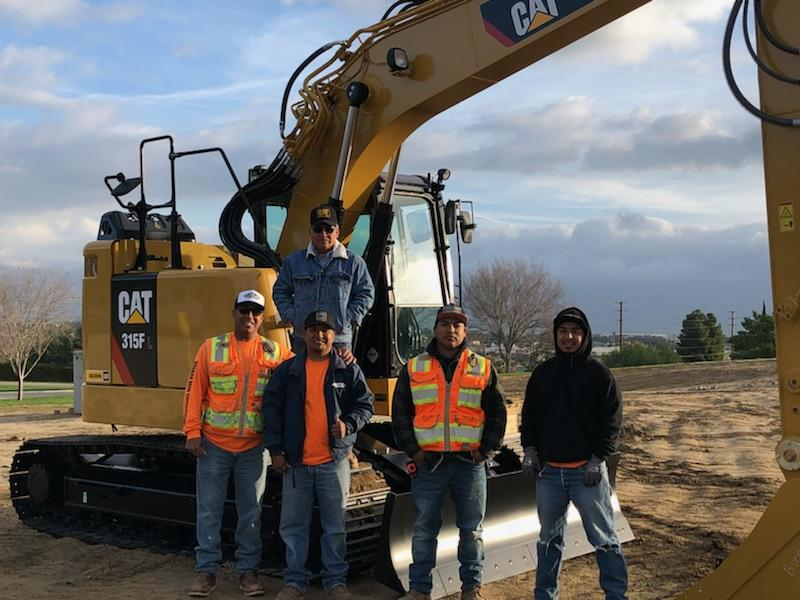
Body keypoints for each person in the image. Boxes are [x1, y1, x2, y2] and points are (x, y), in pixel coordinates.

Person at [391, 304, 507, 600]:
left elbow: (497, 413)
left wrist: (486, 451)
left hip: (469, 464)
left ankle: (471, 589)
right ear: (435, 329)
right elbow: (401, 413)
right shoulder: (415, 367)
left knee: (471, 531)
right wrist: (413, 451)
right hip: (429, 464)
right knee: (424, 530)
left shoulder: (481, 366)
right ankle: (419, 590)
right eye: (445, 323)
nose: (451, 329)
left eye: (457, 324)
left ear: (465, 331)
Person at [183, 289, 293, 598]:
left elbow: (306, 368)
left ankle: (248, 571)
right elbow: (195, 392)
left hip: (253, 449)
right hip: (213, 446)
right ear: (234, 314)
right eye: (243, 311)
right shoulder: (211, 348)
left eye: (256, 312)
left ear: (261, 318)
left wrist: (339, 352)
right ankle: (206, 572)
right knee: (208, 511)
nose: (250, 316)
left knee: (251, 513)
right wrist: (192, 432)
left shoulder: (276, 352)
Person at [263, 309, 374, 600]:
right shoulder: (289, 371)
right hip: (296, 464)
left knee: (334, 527)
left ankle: (335, 581)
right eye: (312, 329)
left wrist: (348, 424)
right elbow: (271, 411)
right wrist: (275, 450)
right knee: (293, 527)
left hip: (332, 463)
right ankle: (294, 582)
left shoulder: (347, 369)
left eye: (325, 330)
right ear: (304, 334)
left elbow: (365, 405)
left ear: (334, 335)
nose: (319, 334)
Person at [520, 307, 627, 600]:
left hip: (586, 475)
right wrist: (529, 451)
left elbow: (612, 421)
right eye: (563, 331)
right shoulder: (543, 374)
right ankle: (545, 595)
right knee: (548, 541)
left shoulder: (599, 374)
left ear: (585, 336)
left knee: (604, 540)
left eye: (575, 332)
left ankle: (616, 595)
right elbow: (528, 418)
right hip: (550, 475)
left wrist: (597, 459)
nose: (569, 337)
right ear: (556, 335)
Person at [272, 205, 374, 355]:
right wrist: (292, 316)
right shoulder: (293, 261)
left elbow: (366, 294)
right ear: (310, 232)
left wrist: (349, 318)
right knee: (302, 378)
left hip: (339, 341)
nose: (323, 234)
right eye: (318, 229)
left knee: (338, 379)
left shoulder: (354, 263)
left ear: (337, 232)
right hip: (303, 341)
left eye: (329, 229)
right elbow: (280, 291)